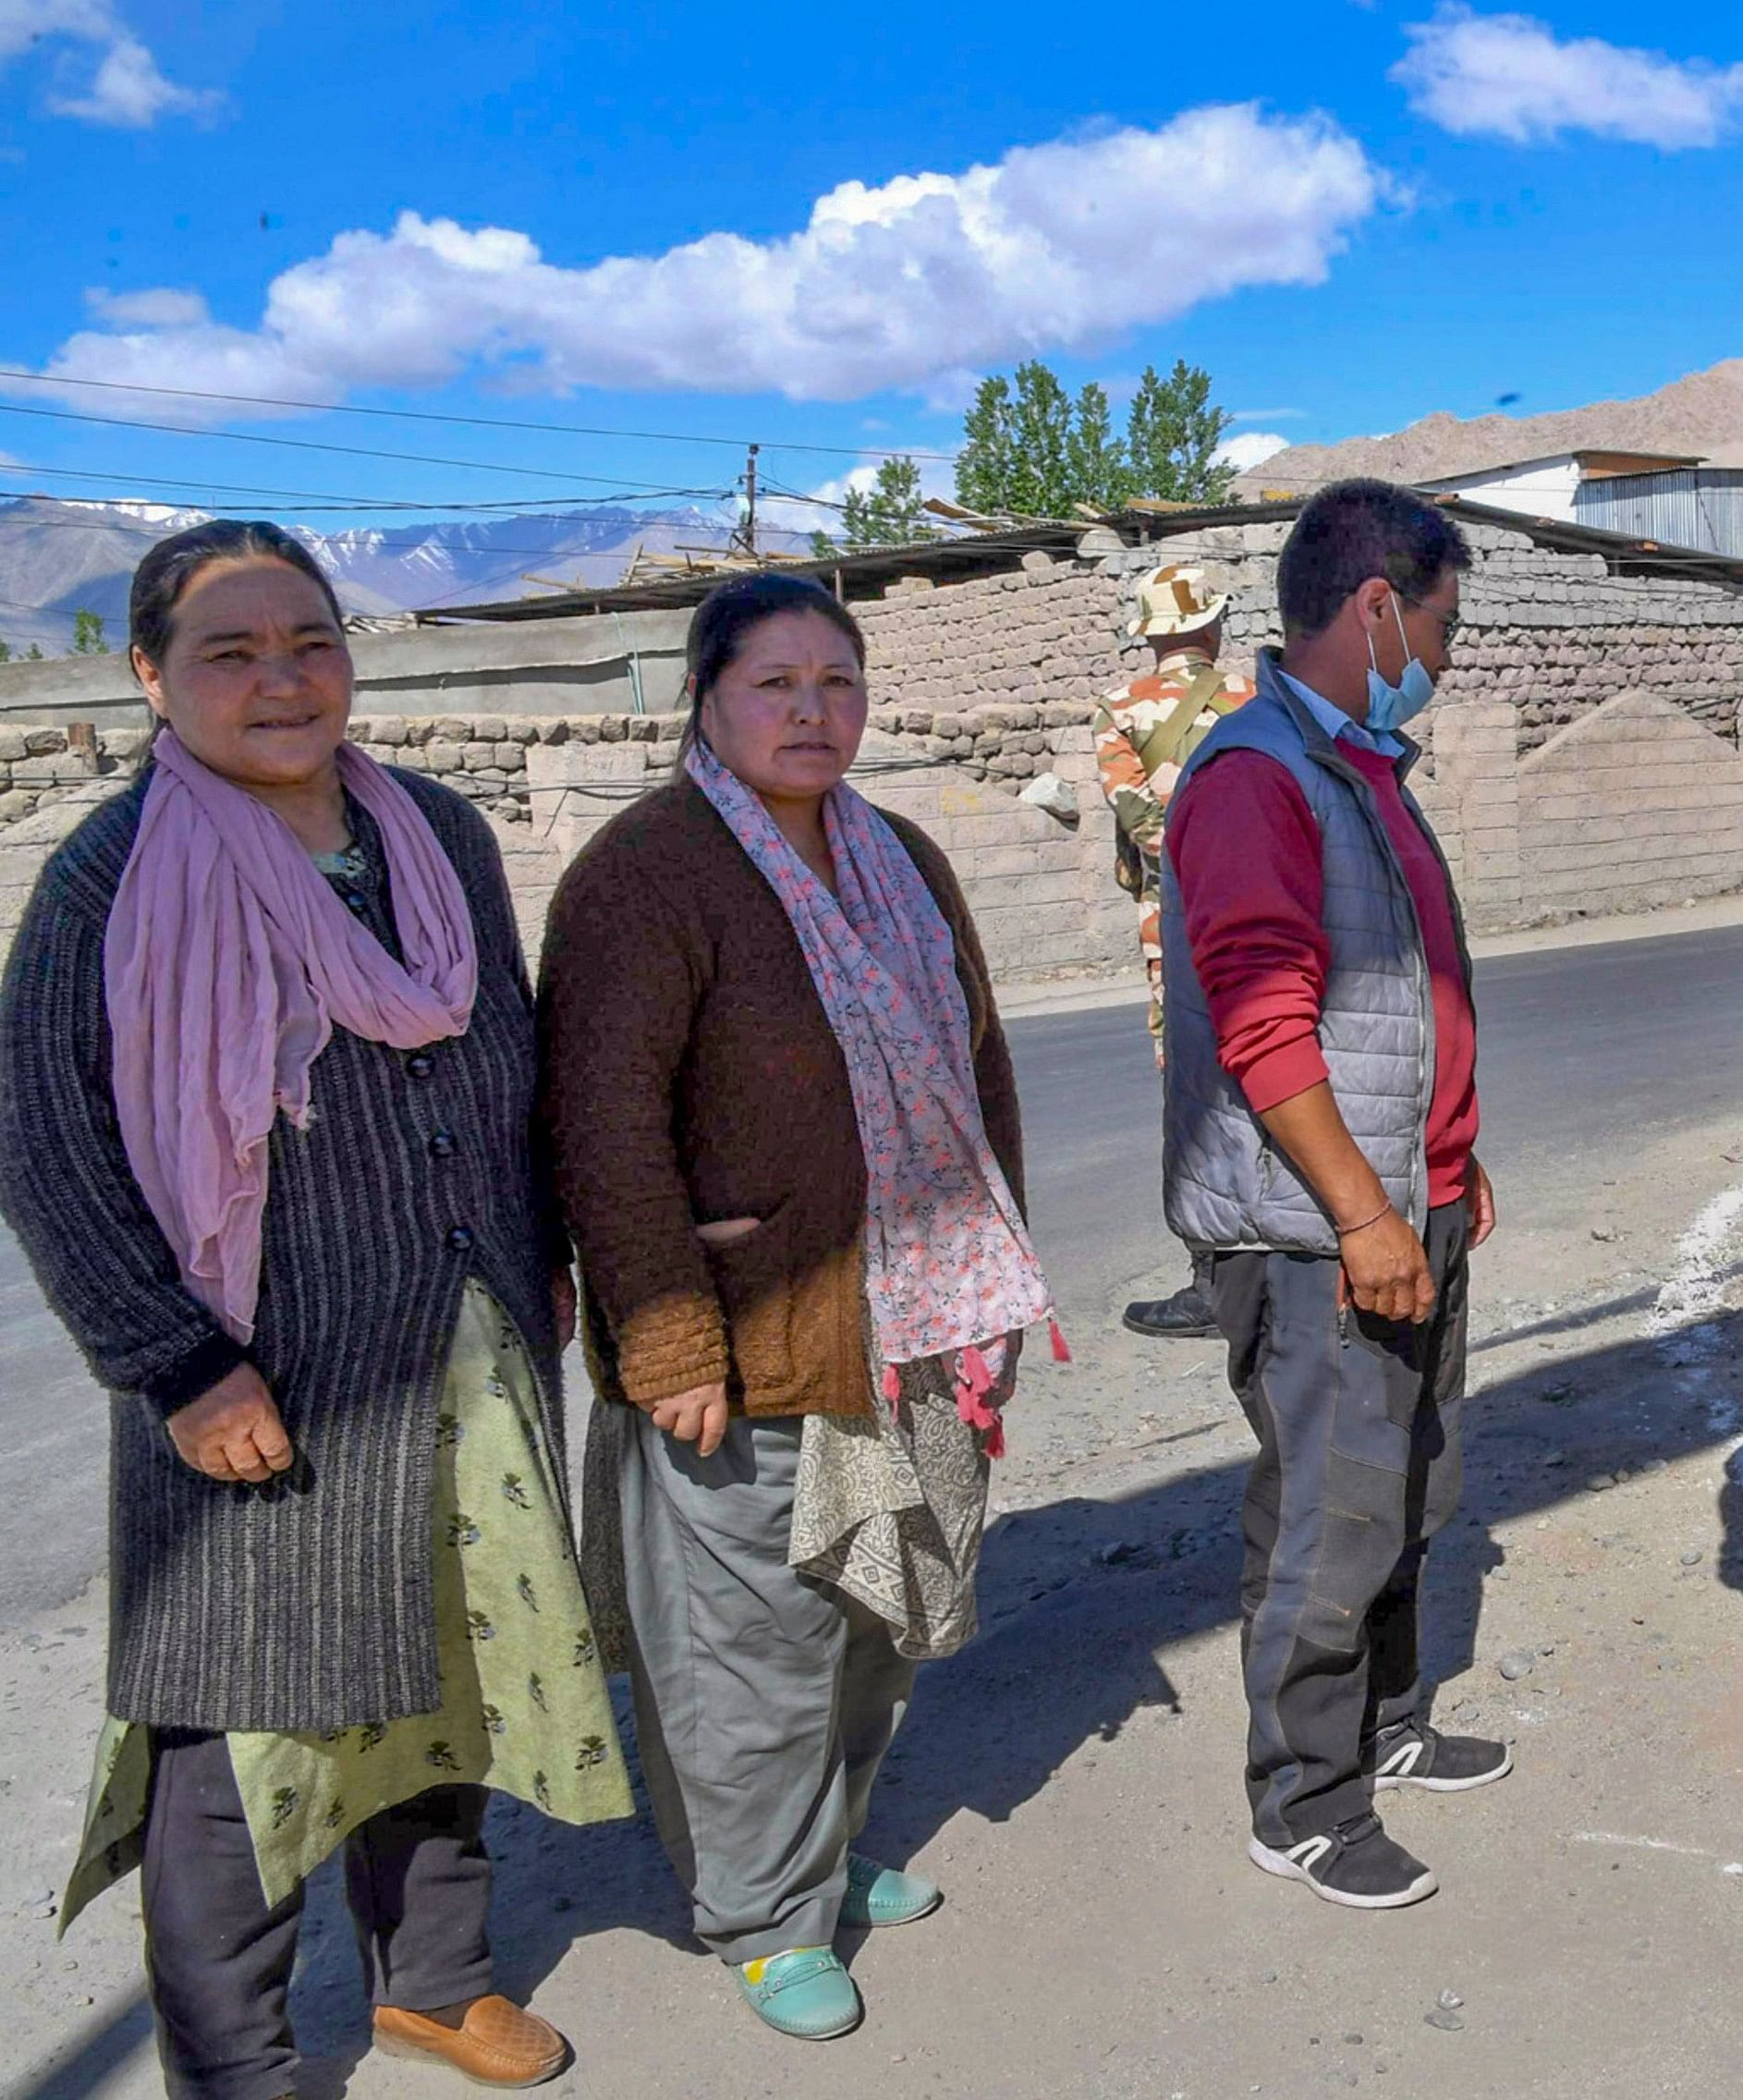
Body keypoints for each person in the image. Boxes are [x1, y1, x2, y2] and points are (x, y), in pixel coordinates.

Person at [1, 521, 624, 2098]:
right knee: (235, 1725)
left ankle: (433, 1979)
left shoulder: (436, 832)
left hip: (466, 1324)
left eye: (312, 641)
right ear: (148, 674)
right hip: (260, 1362)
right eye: (231, 650)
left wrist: (538, 1252)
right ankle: (238, 2061)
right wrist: (178, 1361)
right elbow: (44, 1139)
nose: (282, 678)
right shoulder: (108, 876)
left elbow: (505, 1057)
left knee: (444, 1667)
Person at [541, 573, 1048, 2042]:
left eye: (839, 680)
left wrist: (994, 1268)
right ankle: (760, 1913)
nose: (813, 710)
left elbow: (979, 1065)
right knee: (749, 1647)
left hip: (918, 1313)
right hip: (755, 1329)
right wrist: (667, 1334)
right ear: (703, 698)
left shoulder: (899, 855)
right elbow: (603, 1123)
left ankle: (816, 1860)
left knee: (870, 1621)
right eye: (776, 682)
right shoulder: (647, 873)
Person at [1158, 479, 1508, 1911]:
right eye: (1439, 621)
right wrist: (1365, 1213)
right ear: (1375, 606)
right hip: (1317, 1231)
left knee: (1411, 1483)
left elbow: (1401, 1005)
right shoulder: (1255, 776)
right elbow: (1263, 1022)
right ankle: (1302, 1799)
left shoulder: (1358, 764)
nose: (1446, 648)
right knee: (1330, 1509)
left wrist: (1444, 1158)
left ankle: (1387, 1723)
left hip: (1399, 1201)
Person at [1101, 561, 1248, 1342]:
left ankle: (1213, 1281)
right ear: (1211, 625)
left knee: (1192, 1092)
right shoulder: (1254, 701)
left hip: (1178, 926)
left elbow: (1138, 823)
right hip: (1264, 910)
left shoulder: (1119, 709)